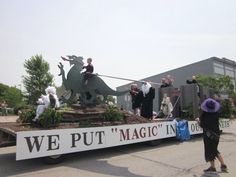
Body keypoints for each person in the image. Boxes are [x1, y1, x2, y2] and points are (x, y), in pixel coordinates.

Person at [196, 98, 228, 172]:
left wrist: (198, 121)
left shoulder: (205, 114)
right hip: (216, 135)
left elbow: (202, 125)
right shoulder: (216, 114)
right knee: (214, 150)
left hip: (208, 136)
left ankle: (213, 167)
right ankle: (223, 165)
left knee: (209, 151)